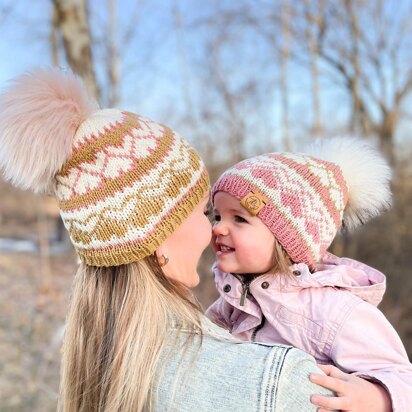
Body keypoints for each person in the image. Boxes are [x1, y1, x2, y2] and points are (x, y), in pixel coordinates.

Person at [0, 67, 335, 412]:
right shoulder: (282, 385)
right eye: (205, 212)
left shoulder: (93, 364)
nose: (212, 231)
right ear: (157, 240)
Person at [206, 138, 412, 412]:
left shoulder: (334, 311)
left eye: (239, 219)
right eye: (217, 216)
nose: (219, 228)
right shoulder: (230, 305)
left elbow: (402, 378)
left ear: (288, 239)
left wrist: (378, 398)